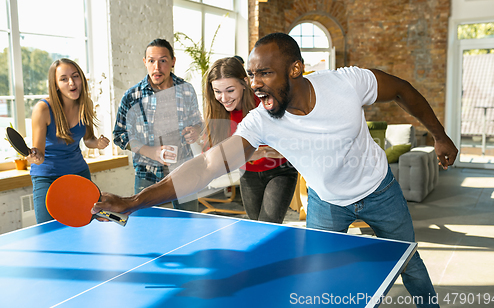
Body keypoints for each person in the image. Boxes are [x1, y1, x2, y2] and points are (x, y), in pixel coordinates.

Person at [94, 33, 458, 308]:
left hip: (379, 191)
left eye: (264, 73)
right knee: (321, 279)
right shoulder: (261, 121)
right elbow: (207, 165)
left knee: (409, 264)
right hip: (326, 202)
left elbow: (403, 91)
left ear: (295, 70)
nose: (254, 83)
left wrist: (440, 136)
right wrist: (134, 201)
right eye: (251, 74)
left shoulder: (347, 83)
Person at [203, 57, 298, 223]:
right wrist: (252, 152)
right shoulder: (217, 112)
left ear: (244, 83)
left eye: (230, 90)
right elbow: (211, 154)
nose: (224, 98)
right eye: (218, 92)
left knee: (268, 225)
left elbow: (291, 144)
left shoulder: (266, 103)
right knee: (256, 227)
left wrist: (252, 152)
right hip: (248, 174)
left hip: (280, 171)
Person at [113, 38, 202, 211]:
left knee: (190, 224)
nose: (157, 67)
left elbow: (197, 122)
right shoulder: (132, 96)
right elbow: (119, 135)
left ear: (173, 62)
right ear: (145, 62)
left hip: (184, 170)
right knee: (145, 226)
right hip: (147, 174)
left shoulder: (186, 90)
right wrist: (152, 152)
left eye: (163, 61)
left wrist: (196, 130)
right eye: (152, 61)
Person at [27, 58, 110, 224]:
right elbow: (39, 155)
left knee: (90, 225)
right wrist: (34, 156)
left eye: (75, 76)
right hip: (48, 179)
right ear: (55, 84)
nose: (71, 82)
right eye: (63, 79)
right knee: (48, 231)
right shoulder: (42, 109)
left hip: (79, 175)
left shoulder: (86, 103)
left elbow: (88, 139)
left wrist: (98, 143)